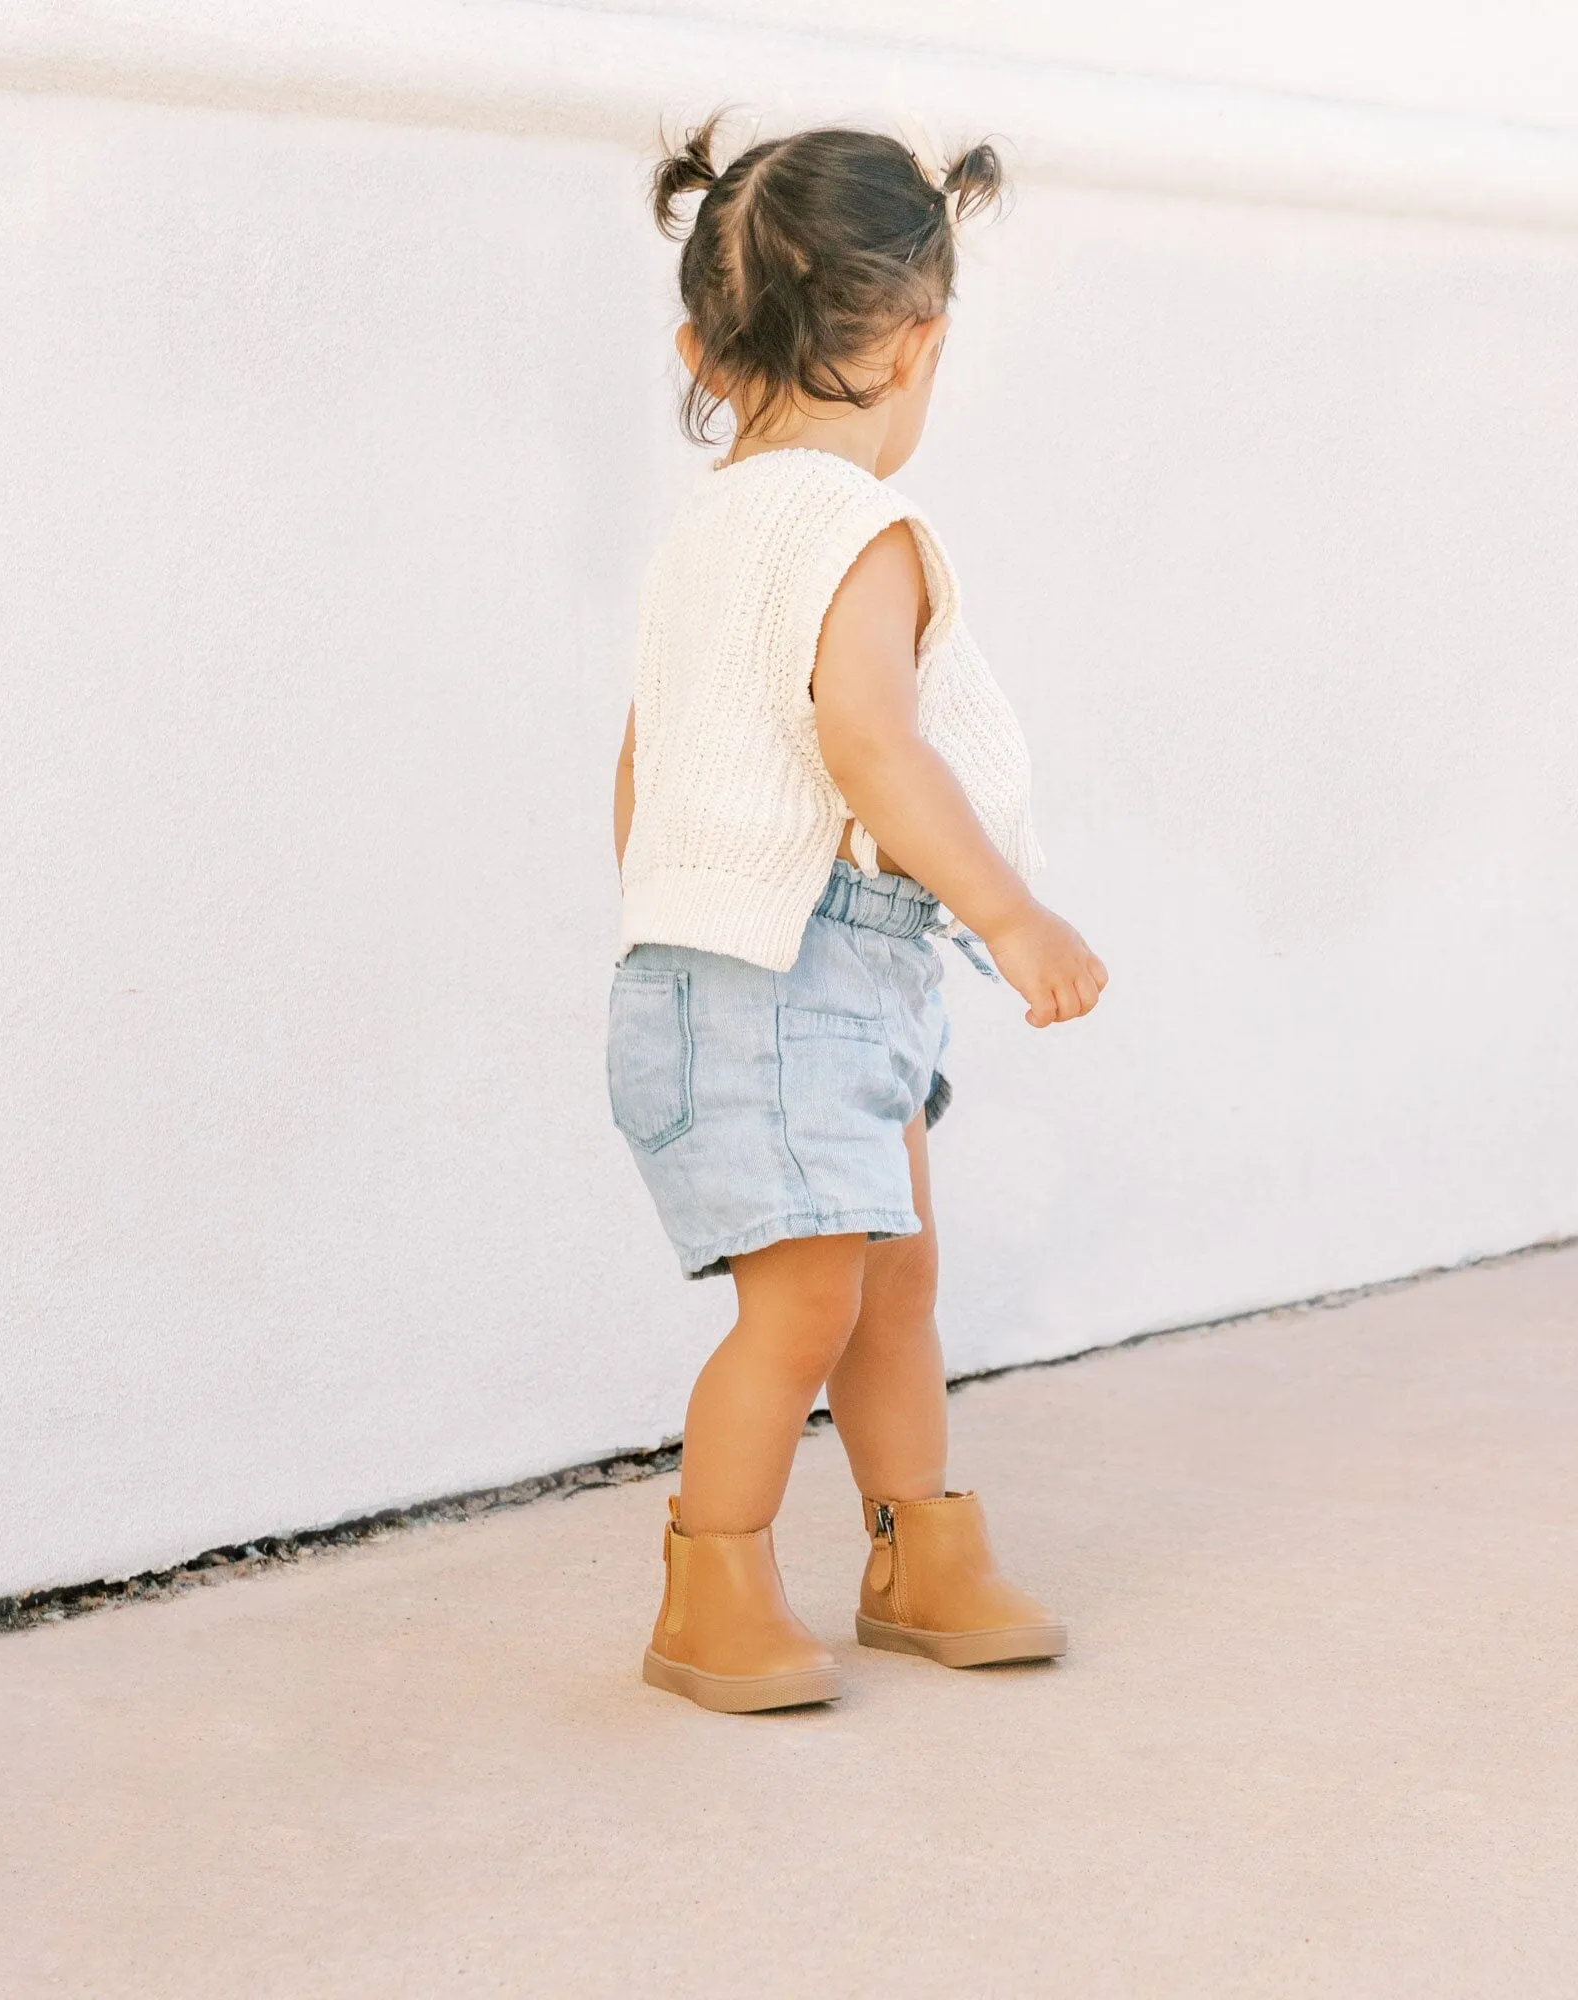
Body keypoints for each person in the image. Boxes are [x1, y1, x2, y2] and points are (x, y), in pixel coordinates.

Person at [608, 116, 1109, 1713]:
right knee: (817, 1292)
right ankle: (716, 1579)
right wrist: (1011, 915)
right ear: (919, 339)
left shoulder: (709, 536)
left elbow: (644, 757)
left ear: (703, 341)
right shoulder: (856, 532)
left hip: (746, 963)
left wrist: (665, 921)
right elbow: (874, 744)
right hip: (787, 968)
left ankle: (924, 1547)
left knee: (890, 1271)